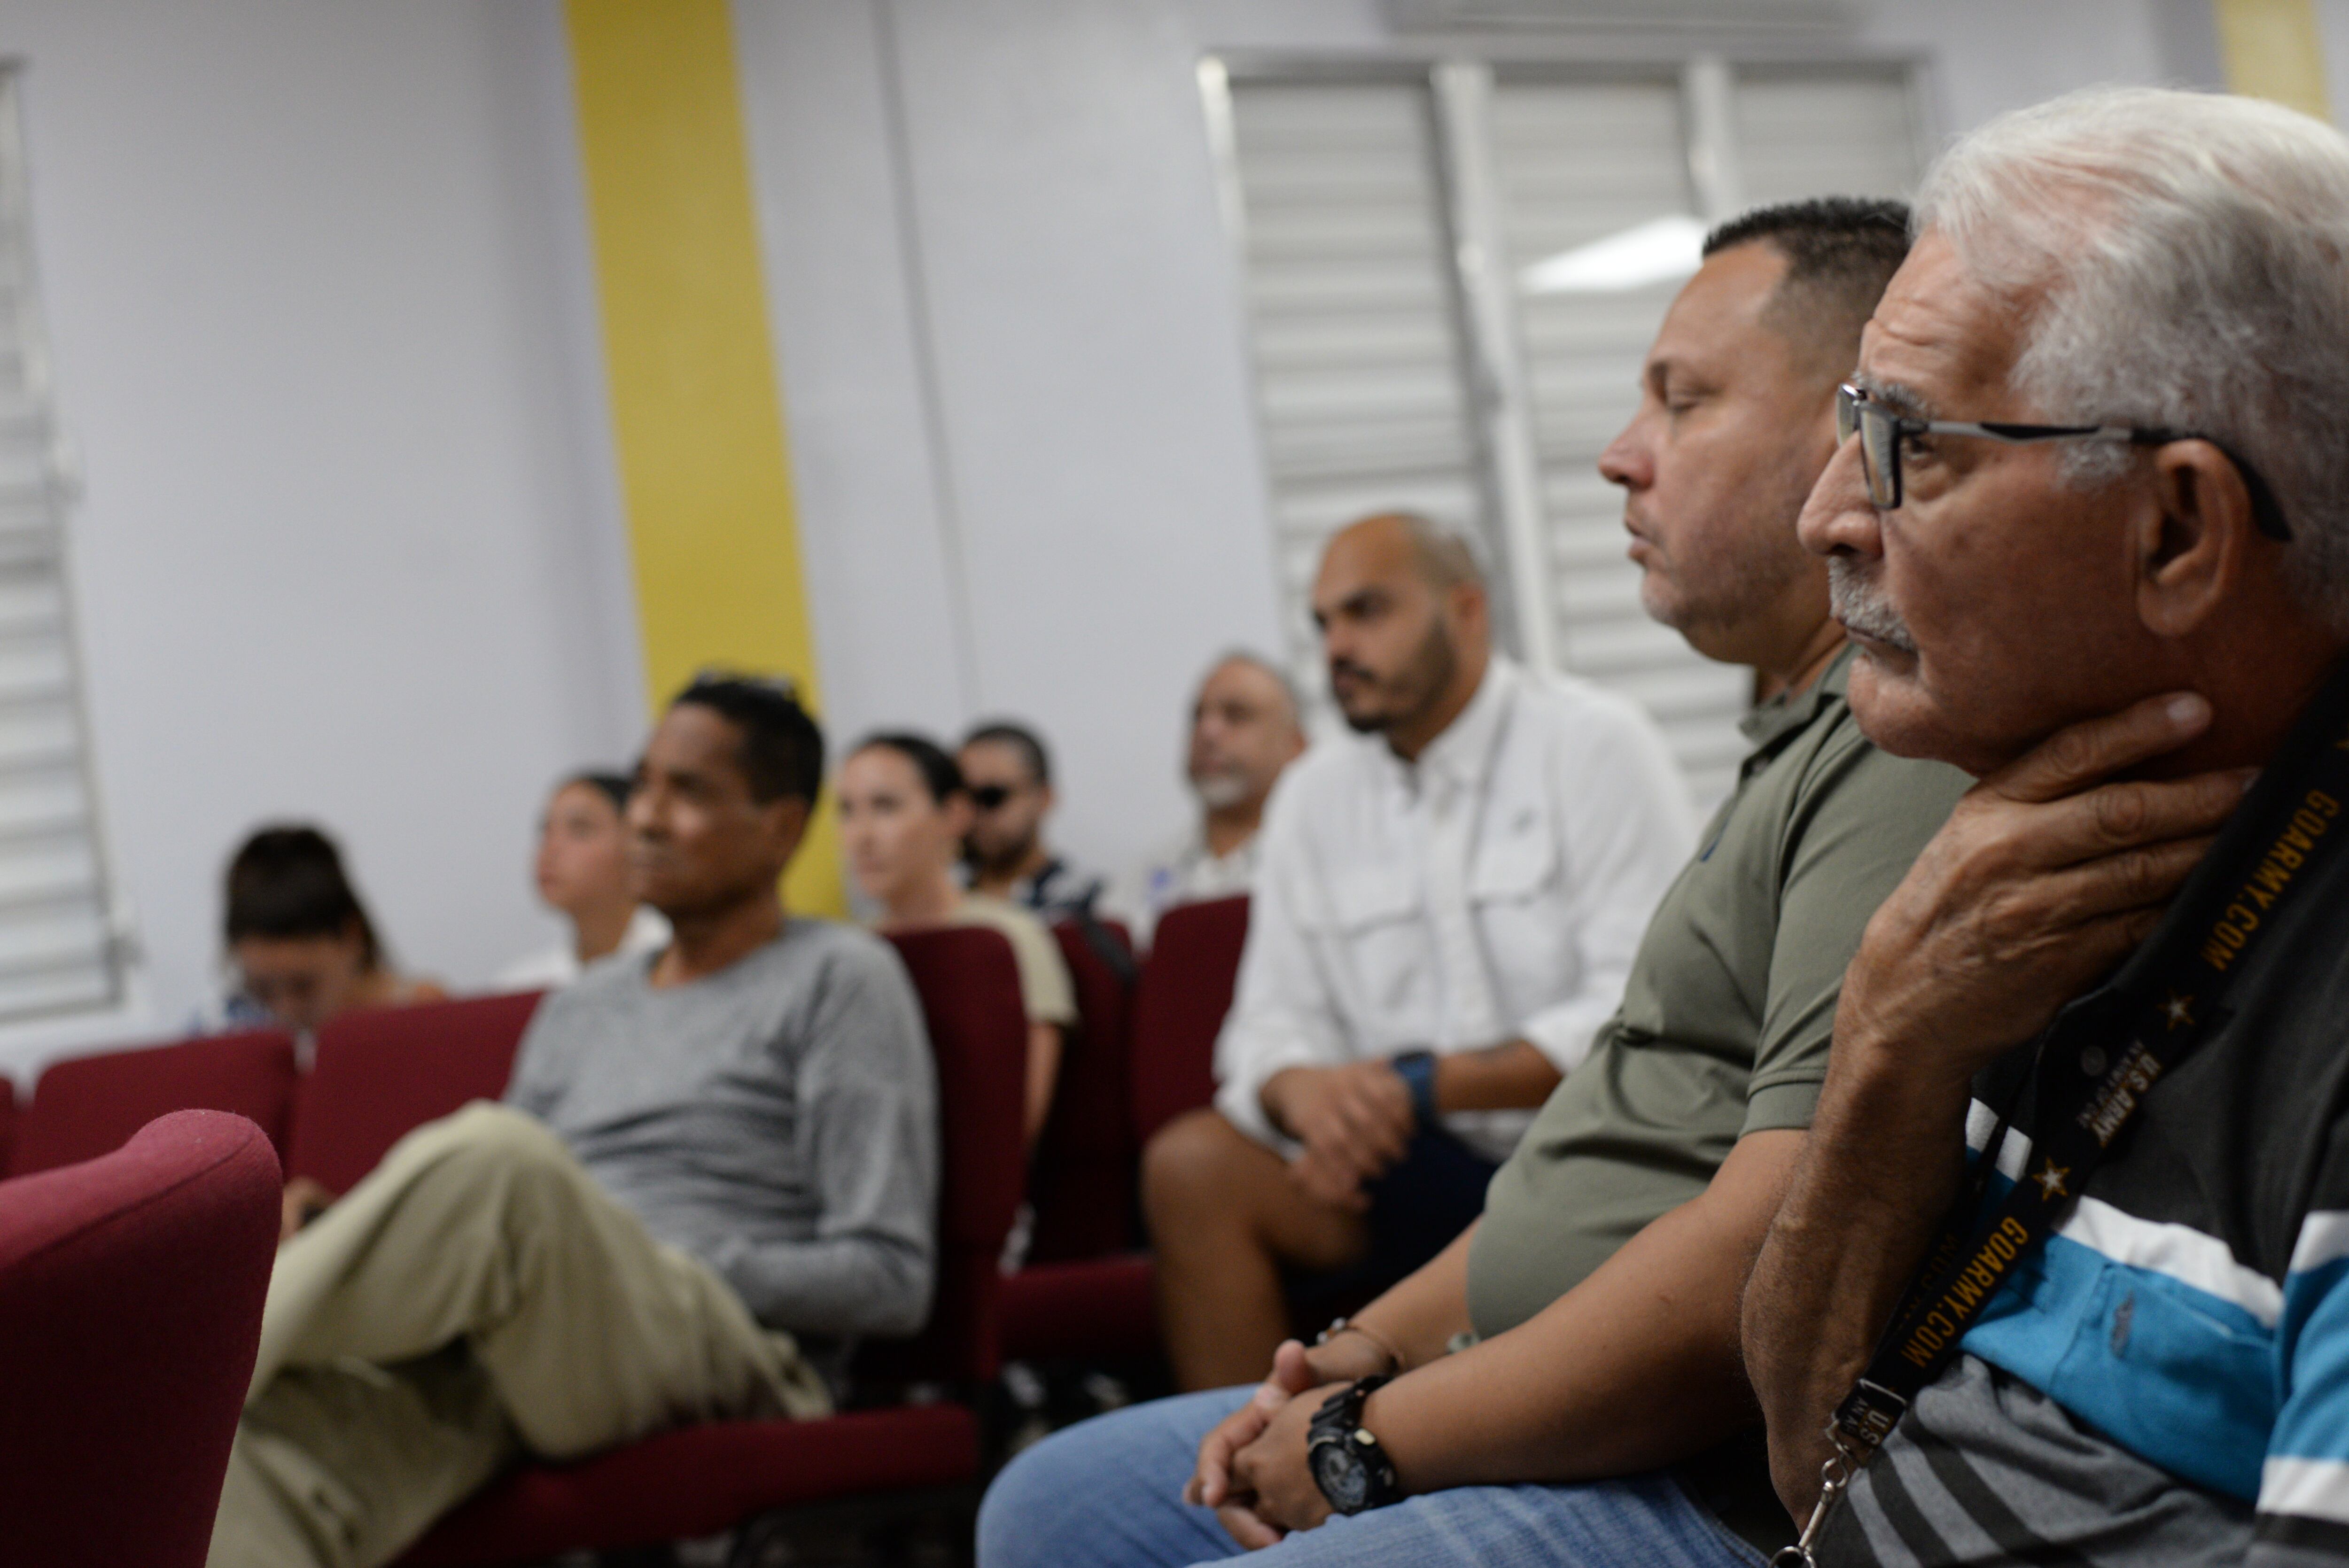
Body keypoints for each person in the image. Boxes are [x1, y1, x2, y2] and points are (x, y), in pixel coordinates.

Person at [977, 196, 1964, 1568]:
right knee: (1047, 1497)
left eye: (1680, 402)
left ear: (1845, 440)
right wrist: (1353, 1351)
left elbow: (1767, 1214)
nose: (1619, 456)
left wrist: (1369, 1434)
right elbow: (1585, 1108)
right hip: (1470, 1228)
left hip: (1679, 1444)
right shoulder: (1776, 742)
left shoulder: (1858, 742)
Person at [1741, 87, 2349, 1568]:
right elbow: (1815, 1453)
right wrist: (1891, 1031)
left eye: (1908, 445)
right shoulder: (2039, 860)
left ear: (2174, 531)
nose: (1824, 514)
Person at [210, 676, 939, 1568]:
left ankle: (190, 1353)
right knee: (240, 1451)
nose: (647, 817)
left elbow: (890, 1275)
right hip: (532, 1339)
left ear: (782, 827)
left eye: (690, 792)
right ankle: (203, 1386)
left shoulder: (840, 978)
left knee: (500, 1162)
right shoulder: (579, 1008)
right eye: (643, 785)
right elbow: (497, 1234)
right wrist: (352, 1221)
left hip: (721, 1341)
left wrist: (634, 1249)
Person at [839, 731, 1075, 1148]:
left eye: (885, 806)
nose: (861, 835)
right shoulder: (844, 952)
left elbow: (1015, 1125)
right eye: (846, 810)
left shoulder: (1009, 937)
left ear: (953, 815)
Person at [1105, 652, 1308, 949]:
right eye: (1198, 715)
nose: (1208, 732)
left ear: (1296, 746)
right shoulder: (1144, 875)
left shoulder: (1320, 866)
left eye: (1236, 715)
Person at [223, 824, 444, 1033]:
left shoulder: (422, 1016)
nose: (285, 1012)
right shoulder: (222, 1029)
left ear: (352, 937)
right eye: (261, 991)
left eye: (304, 987)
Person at [496, 771, 670, 991]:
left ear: (637, 842)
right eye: (545, 830)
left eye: (580, 829)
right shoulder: (522, 987)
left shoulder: (678, 958)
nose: (551, 848)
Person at [959, 721, 1105, 920]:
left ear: (1044, 799)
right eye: (963, 798)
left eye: (992, 796)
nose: (974, 813)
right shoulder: (939, 905)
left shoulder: (1092, 905)